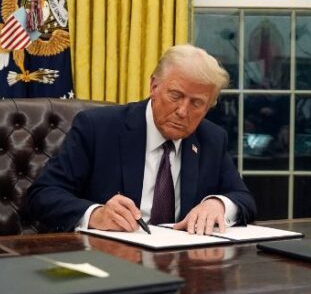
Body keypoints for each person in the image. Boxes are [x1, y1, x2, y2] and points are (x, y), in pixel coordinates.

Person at [25, 45, 256, 234]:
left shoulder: (211, 139)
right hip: (110, 263)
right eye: (175, 96)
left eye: (196, 103)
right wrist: (95, 214)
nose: (183, 111)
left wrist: (219, 204)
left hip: (184, 264)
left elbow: (243, 198)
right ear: (154, 87)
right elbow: (43, 194)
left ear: (208, 107)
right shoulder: (98, 128)